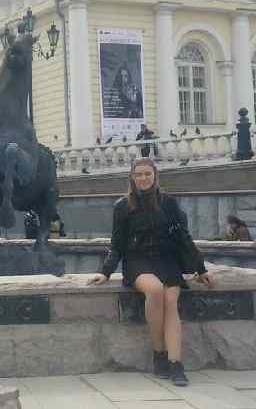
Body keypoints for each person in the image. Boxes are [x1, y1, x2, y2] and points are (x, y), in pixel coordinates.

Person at [88, 157, 214, 387]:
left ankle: (175, 363)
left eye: (147, 174)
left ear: (155, 176)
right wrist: (105, 272)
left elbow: (184, 236)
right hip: (137, 261)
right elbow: (117, 244)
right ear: (132, 178)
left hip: (166, 260)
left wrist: (200, 268)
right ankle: (159, 353)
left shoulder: (169, 203)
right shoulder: (122, 206)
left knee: (170, 301)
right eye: (139, 174)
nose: (143, 178)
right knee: (155, 290)